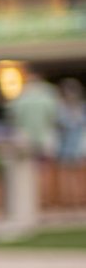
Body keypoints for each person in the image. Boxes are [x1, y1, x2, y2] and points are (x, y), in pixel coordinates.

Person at [7, 63, 62, 206]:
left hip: (31, 138)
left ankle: (40, 200)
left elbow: (13, 117)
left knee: (33, 170)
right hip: (42, 137)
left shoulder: (23, 94)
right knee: (43, 169)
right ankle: (47, 200)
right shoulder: (49, 93)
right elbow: (55, 116)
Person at [57, 78, 85, 209]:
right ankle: (68, 201)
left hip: (80, 146)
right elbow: (60, 125)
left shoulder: (82, 107)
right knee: (66, 176)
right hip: (65, 147)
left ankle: (80, 200)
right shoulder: (61, 108)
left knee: (80, 175)